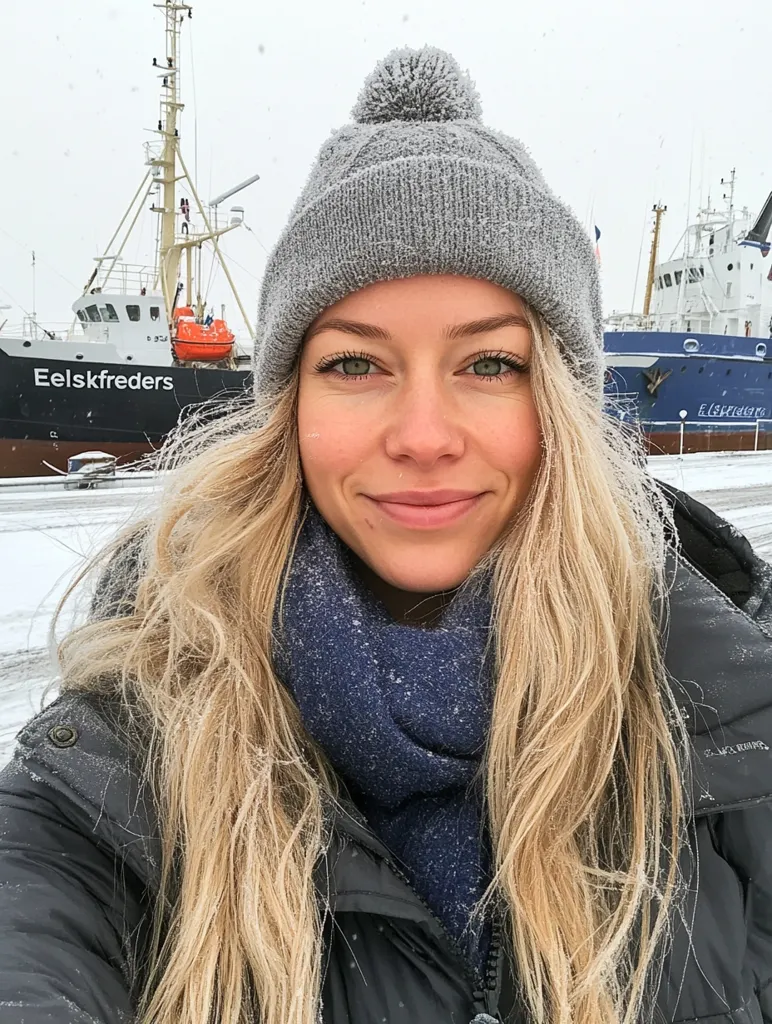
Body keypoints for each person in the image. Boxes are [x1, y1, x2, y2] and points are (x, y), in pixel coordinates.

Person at [2, 45, 772, 1024]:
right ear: (286, 407)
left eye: (489, 365)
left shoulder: (732, 730)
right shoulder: (125, 756)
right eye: (355, 365)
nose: (422, 436)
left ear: (563, 403)